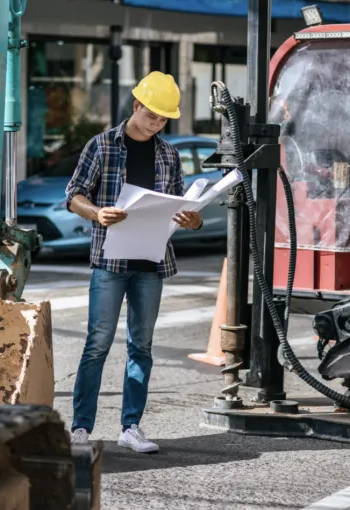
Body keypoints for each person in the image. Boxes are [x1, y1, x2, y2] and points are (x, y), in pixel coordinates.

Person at [64, 71, 203, 453]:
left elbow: (179, 205)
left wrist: (192, 218)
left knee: (141, 346)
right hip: (110, 263)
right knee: (97, 344)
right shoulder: (103, 146)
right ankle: (80, 427)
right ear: (136, 105)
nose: (156, 124)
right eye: (151, 115)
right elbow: (73, 195)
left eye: (163, 119)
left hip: (151, 263)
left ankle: (131, 427)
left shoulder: (169, 154)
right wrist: (97, 214)